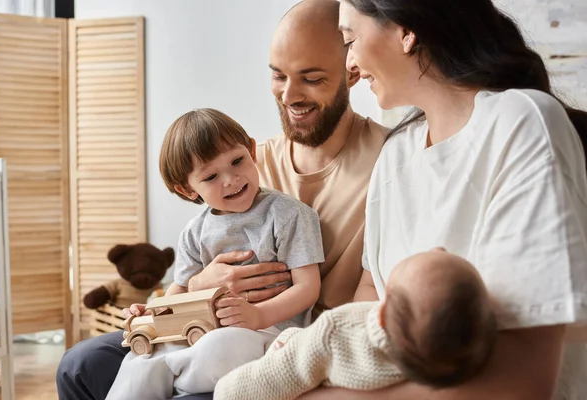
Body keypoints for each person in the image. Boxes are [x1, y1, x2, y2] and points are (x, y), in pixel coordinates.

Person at [56, 1, 389, 399]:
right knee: (80, 365)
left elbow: (334, 292)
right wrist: (196, 286)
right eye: (278, 76)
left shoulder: (389, 160)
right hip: (204, 321)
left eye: (312, 78)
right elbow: (183, 285)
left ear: (352, 71)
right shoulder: (251, 160)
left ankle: (172, 379)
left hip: (286, 335)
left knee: (204, 370)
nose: (289, 94)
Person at [293, 0, 587, 399]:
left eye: (350, 39)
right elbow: (370, 299)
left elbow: (524, 380)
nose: (349, 66)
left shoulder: (520, 122)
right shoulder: (396, 155)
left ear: (405, 32)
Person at [104, 108, 324, 400]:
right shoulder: (195, 232)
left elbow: (308, 288)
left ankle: (175, 381)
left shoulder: (288, 214)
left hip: (269, 333)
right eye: (210, 176)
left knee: (217, 349)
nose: (231, 179)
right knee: (139, 360)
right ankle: (167, 374)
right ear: (187, 189)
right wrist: (151, 312)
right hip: (202, 330)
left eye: (237, 161)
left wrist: (257, 315)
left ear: (251, 150)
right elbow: (179, 291)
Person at [214, 248, 498, 400]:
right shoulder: (432, 358)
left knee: (216, 351)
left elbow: (279, 373)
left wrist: (224, 392)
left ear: (383, 315)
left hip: (285, 354)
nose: (438, 248)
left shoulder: (337, 332)